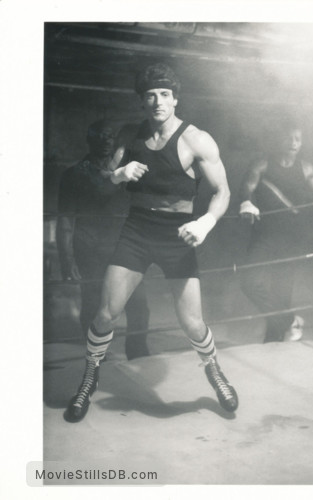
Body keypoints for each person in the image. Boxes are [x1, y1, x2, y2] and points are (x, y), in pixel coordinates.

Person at [65, 63, 238, 422]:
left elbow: (223, 191)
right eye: (149, 95)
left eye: (163, 94)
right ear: (142, 102)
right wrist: (116, 174)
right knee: (104, 314)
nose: (157, 101)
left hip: (178, 234)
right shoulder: (130, 136)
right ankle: (89, 378)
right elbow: (97, 183)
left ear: (175, 99)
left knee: (192, 323)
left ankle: (214, 371)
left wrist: (205, 222)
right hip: (138, 231)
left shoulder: (197, 139)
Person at [56, 120, 150, 360]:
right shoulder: (75, 174)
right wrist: (66, 258)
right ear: (90, 140)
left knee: (138, 303)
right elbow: (66, 218)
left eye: (110, 136)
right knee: (94, 302)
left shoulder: (127, 172)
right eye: (100, 136)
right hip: (90, 247)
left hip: (123, 245)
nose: (107, 140)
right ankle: (96, 354)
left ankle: (138, 352)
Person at [238, 121, 313, 343]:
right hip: (264, 235)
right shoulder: (263, 164)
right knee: (248, 281)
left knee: (282, 294)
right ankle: (290, 321)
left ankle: (272, 344)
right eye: (289, 138)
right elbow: (246, 188)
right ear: (280, 139)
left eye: (298, 139)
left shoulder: (306, 168)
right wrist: (246, 202)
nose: (293, 143)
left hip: (292, 238)